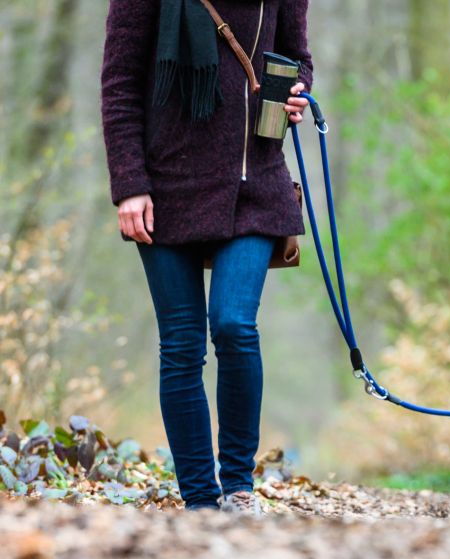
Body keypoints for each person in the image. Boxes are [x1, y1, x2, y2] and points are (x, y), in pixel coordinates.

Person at [100, 0, 314, 515]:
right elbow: (120, 84)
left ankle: (238, 488)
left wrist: (297, 95)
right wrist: (129, 185)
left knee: (235, 326)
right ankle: (200, 501)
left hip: (253, 185)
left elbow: (297, 58)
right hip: (165, 188)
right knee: (181, 344)